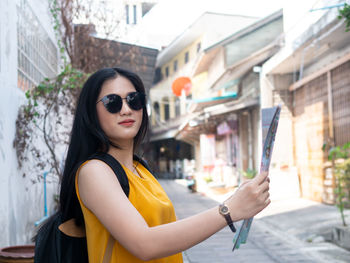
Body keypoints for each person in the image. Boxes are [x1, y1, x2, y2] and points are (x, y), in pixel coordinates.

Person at [60, 67, 271, 262]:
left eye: (134, 100)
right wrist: (229, 210)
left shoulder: (140, 169)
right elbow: (145, 244)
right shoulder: (94, 172)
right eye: (112, 102)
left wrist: (236, 200)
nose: (126, 109)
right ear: (91, 113)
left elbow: (168, 235)